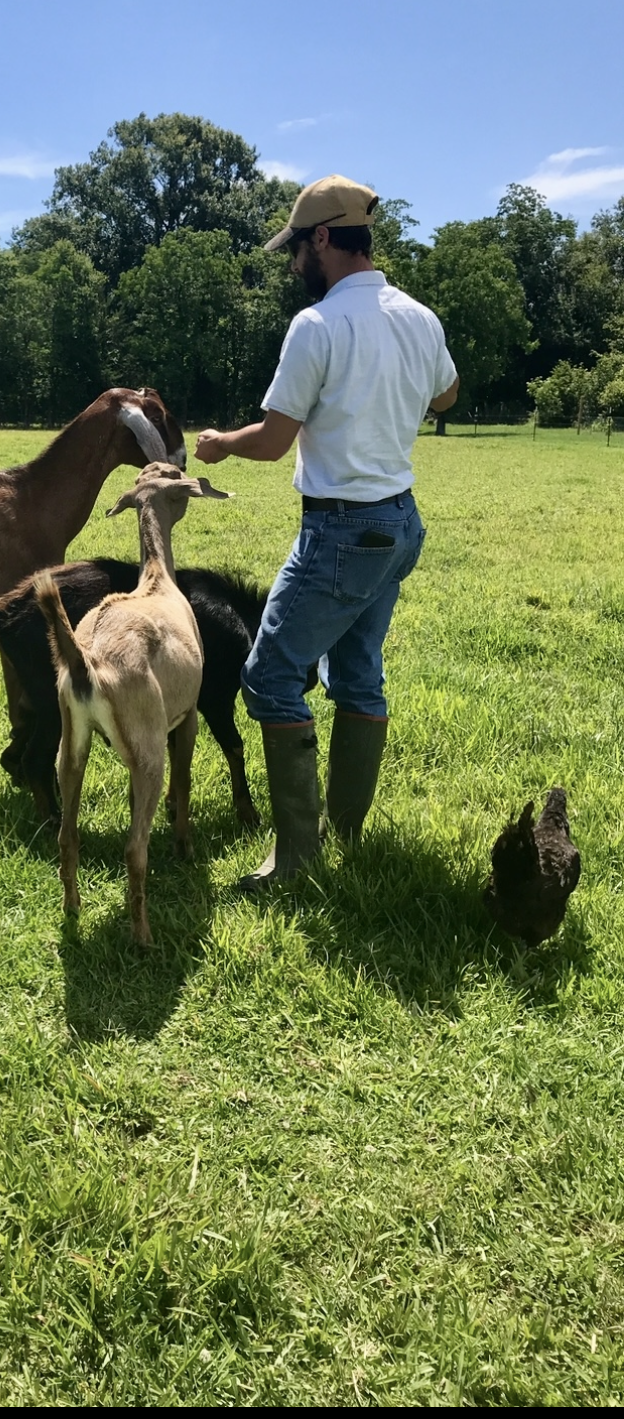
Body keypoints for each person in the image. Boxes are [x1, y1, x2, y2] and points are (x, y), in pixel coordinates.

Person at [195, 176, 459, 890]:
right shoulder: (418, 316)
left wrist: (220, 442)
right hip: (399, 523)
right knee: (357, 673)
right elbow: (446, 393)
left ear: (321, 239)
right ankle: (343, 832)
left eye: (294, 251)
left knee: (270, 676)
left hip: (342, 529)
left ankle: (298, 859)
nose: (290, 267)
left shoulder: (318, 325)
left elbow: (274, 440)